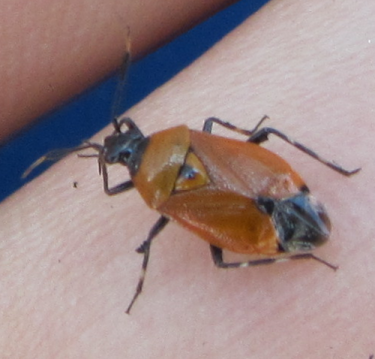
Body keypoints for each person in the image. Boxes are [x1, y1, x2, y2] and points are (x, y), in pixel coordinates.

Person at [0, 0, 373, 357]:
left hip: (238, 212)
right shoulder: (182, 141)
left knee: (220, 262)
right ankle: (335, 178)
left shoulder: (156, 195)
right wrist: (247, 133)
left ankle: (299, 255)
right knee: (266, 132)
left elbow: (113, 190)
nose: (124, 138)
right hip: (270, 182)